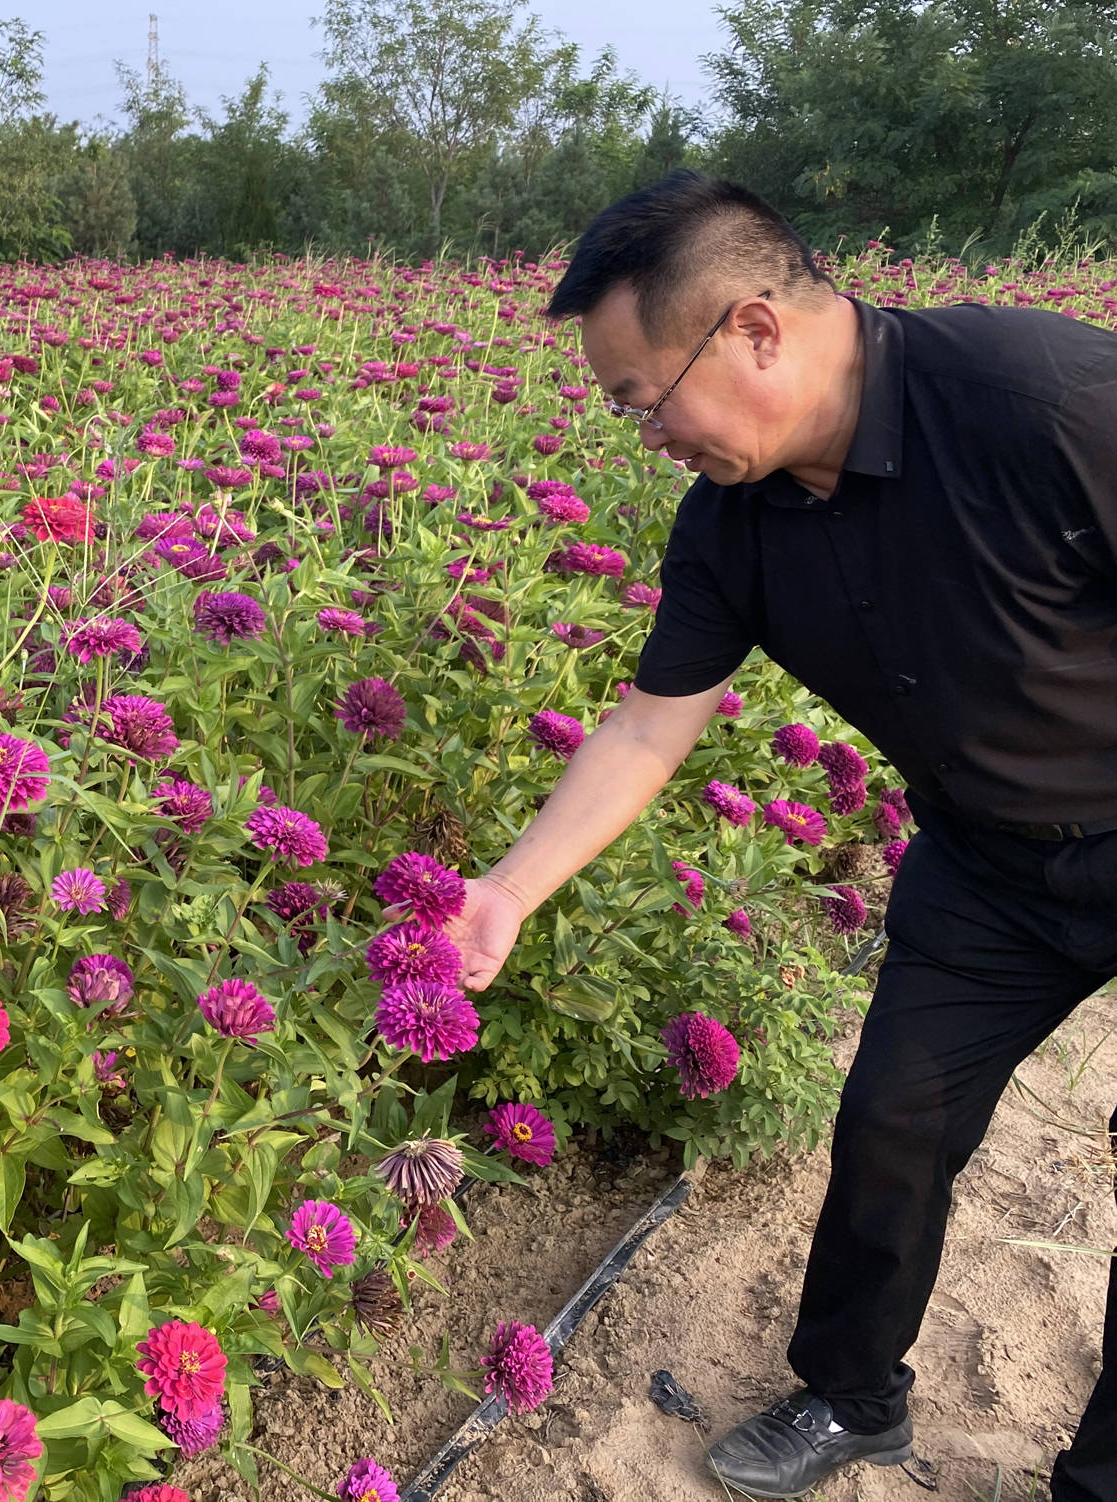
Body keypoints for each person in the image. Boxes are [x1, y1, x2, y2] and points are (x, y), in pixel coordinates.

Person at [441, 167, 1117, 1500]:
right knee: (891, 1122)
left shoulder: (1031, 396)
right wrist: (508, 892)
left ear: (753, 326)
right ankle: (851, 1393)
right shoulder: (731, 529)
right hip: (985, 864)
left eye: (644, 398)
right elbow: (645, 729)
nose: (646, 435)